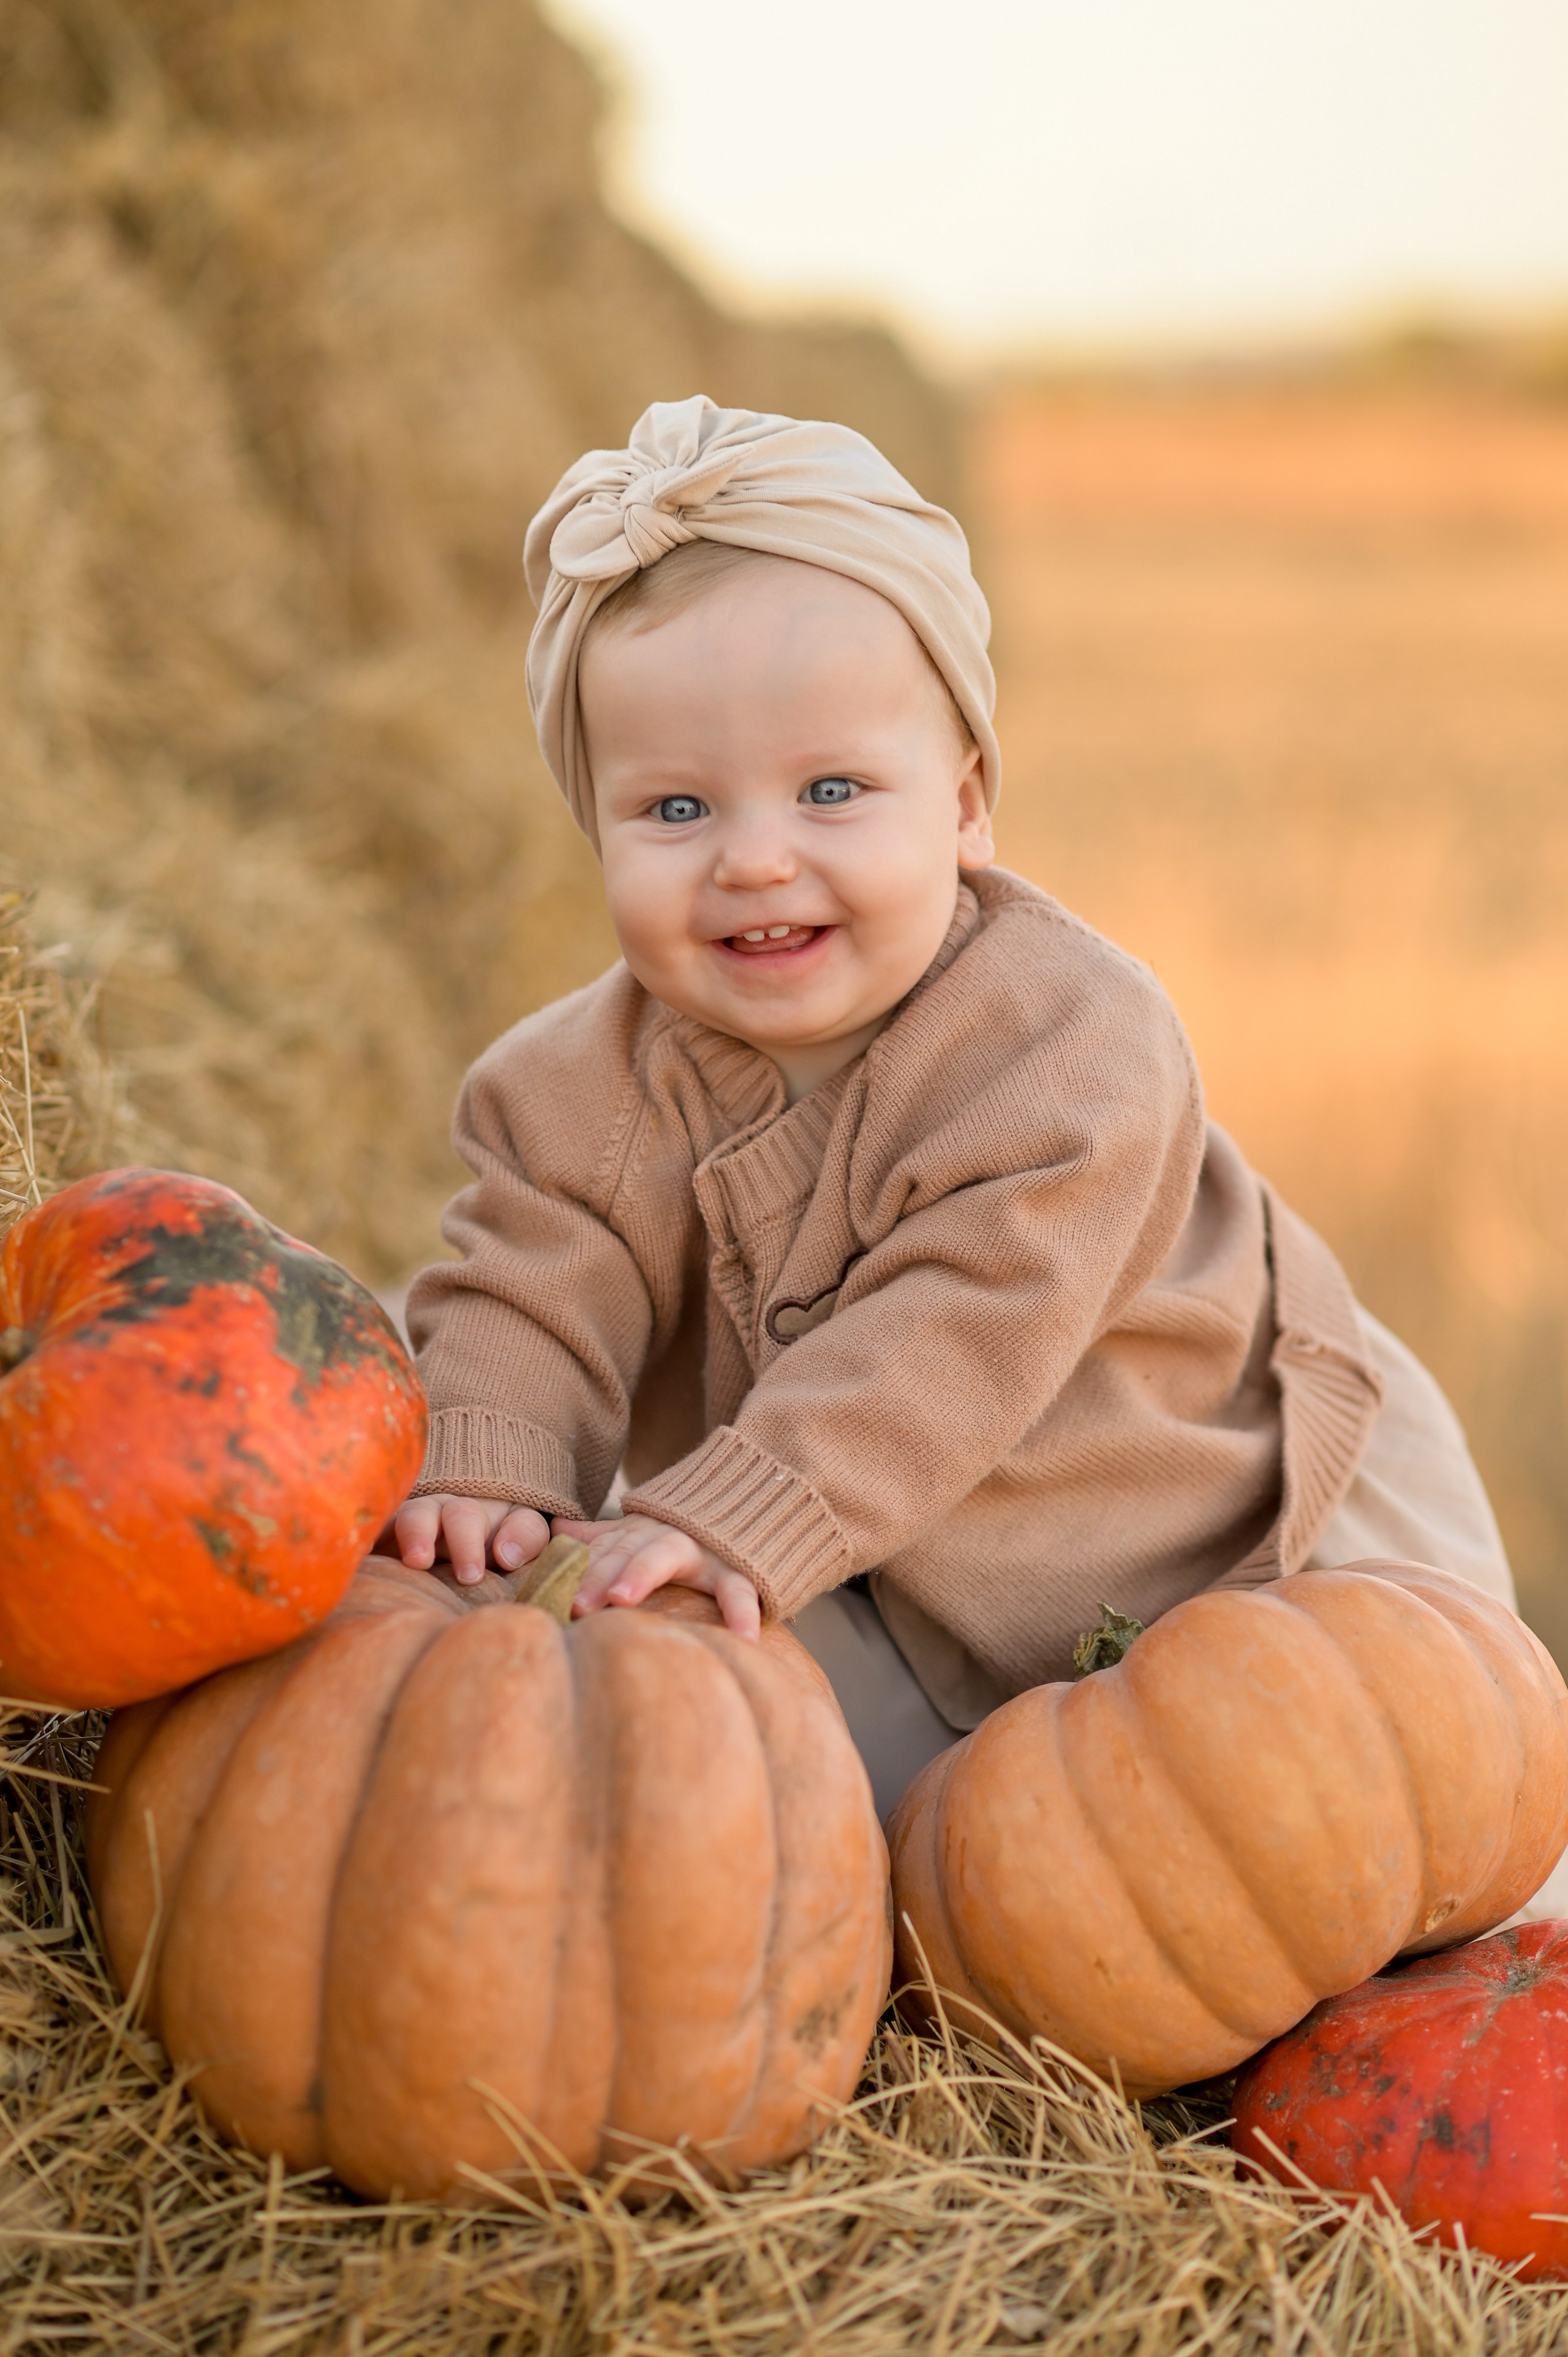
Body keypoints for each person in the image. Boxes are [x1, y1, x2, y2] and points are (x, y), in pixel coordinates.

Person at [387, 395, 1512, 1823]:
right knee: (789, 1815)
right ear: (592, 824)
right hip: (874, 1548)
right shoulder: (571, 1089)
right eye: (674, 811)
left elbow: (959, 1326)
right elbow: (532, 1280)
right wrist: (491, 1462)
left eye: (832, 790)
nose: (752, 859)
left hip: (1208, 1494)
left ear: (966, 805)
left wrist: (737, 1512)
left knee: (1432, 1820)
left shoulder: (1067, 1045)